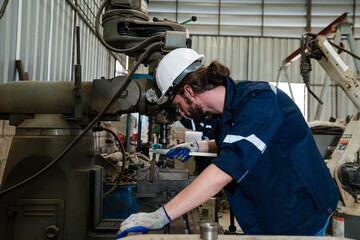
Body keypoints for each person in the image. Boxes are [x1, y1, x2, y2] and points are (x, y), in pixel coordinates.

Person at [116, 48, 339, 238]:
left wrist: (160, 216)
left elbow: (226, 168)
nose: (181, 112)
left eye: (178, 105)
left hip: (300, 215)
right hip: (272, 210)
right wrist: (196, 146)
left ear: (189, 91)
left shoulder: (258, 101)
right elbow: (235, 145)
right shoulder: (227, 110)